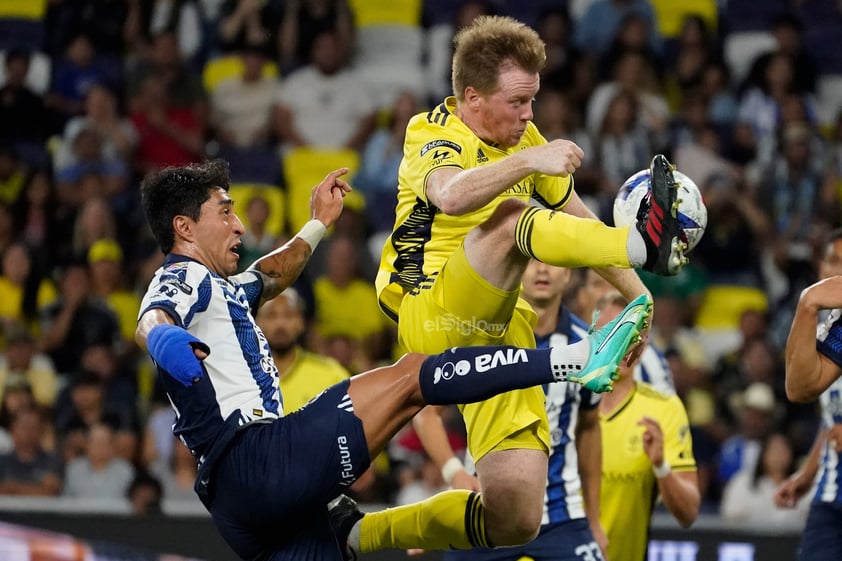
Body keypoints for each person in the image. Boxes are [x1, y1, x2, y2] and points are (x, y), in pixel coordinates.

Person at [134, 159, 651, 560]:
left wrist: (317, 226)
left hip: (242, 511)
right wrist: (165, 342)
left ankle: (353, 535)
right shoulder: (182, 277)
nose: (240, 225)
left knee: (352, 532)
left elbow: (270, 276)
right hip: (258, 459)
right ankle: (578, 357)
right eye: (225, 211)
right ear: (184, 228)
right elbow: (153, 318)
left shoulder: (221, 291)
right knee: (411, 377)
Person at [375, 15, 687, 552]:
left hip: (497, 331)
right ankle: (642, 242)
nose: (528, 115)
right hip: (430, 311)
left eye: (533, 101)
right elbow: (450, 196)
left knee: (517, 515)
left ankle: (364, 534)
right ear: (472, 98)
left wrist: (638, 291)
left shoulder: (524, 137)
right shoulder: (432, 132)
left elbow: (575, 213)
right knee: (512, 218)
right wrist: (532, 162)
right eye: (517, 102)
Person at [442, 259, 608, 561]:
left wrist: (594, 519)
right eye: (531, 261)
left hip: (561, 517)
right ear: (516, 269)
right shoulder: (480, 334)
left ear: (568, 274)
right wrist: (452, 471)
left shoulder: (587, 345)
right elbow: (427, 411)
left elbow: (589, 426)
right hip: (486, 511)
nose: (542, 270)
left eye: (552, 262)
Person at [595, 292, 699, 561]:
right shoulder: (563, 402)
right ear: (592, 336)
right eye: (611, 333)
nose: (620, 345)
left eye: (629, 334)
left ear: (644, 343)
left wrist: (662, 467)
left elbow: (688, 513)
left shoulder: (663, 409)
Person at [776, 228, 842, 559]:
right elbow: (799, 388)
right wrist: (807, 304)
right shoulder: (835, 327)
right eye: (833, 262)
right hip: (831, 496)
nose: (838, 274)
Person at [254, 286, 349, 413]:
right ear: (257, 323)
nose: (280, 324)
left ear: (301, 322)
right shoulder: (242, 377)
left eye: (288, 315)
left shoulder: (331, 375)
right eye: (271, 316)